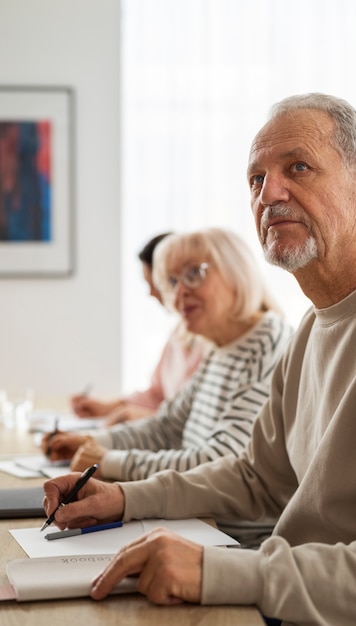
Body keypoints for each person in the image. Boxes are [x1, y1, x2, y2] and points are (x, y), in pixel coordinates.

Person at [43, 93, 356, 625]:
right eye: (255, 179)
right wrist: (122, 498)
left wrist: (222, 573)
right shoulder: (312, 326)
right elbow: (256, 479)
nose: (271, 193)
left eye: (299, 167)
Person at [44, 227, 292, 544]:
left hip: (235, 537)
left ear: (236, 271)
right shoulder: (221, 346)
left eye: (193, 274)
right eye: (172, 281)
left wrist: (110, 460)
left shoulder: (266, 343)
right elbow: (168, 425)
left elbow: (221, 462)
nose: (179, 293)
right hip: (197, 521)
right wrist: (96, 441)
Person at [71, 232, 207, 425]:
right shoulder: (179, 333)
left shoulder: (212, 339)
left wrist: (142, 418)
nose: (151, 293)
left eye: (155, 284)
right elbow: (157, 394)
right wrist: (108, 407)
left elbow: (199, 424)